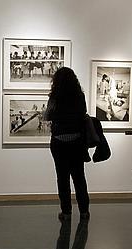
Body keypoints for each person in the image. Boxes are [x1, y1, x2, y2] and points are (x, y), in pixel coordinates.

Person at [44, 67, 90, 220]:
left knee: (62, 178)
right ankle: (84, 212)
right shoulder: (79, 96)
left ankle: (66, 213)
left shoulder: (55, 96)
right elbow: (83, 114)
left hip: (59, 142)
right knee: (79, 177)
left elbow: (47, 116)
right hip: (77, 141)